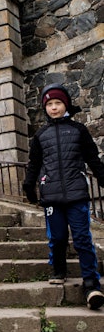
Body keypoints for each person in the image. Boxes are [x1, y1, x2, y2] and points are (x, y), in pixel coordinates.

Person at [23, 83, 104, 310]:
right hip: (51, 197)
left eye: (58, 103)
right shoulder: (40, 135)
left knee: (82, 239)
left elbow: (93, 159)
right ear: (45, 107)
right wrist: (29, 187)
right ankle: (58, 268)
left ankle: (91, 284)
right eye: (49, 104)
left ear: (65, 105)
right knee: (57, 237)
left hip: (77, 193)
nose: (54, 108)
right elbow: (34, 164)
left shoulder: (78, 130)